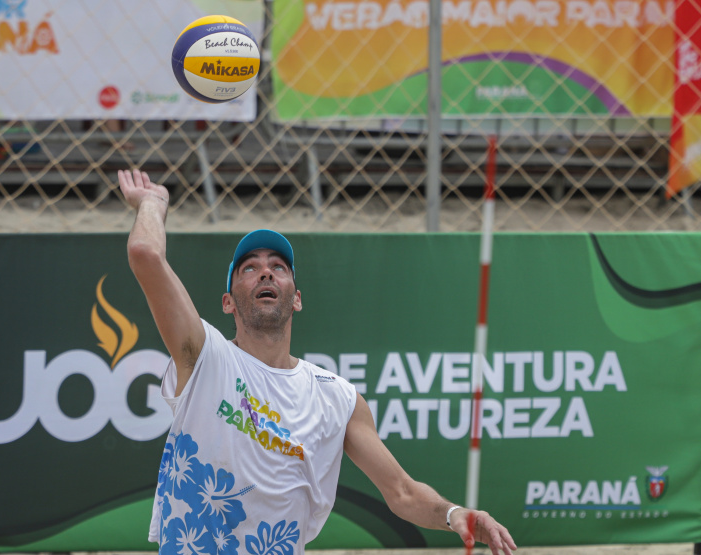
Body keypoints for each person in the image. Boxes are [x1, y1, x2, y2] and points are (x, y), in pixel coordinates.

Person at [118, 168, 517, 555]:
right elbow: (145, 253)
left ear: (296, 298)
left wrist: (457, 515)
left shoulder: (337, 397)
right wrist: (152, 203)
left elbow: (403, 492)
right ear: (228, 301)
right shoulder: (205, 359)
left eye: (278, 267)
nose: (266, 274)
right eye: (250, 268)